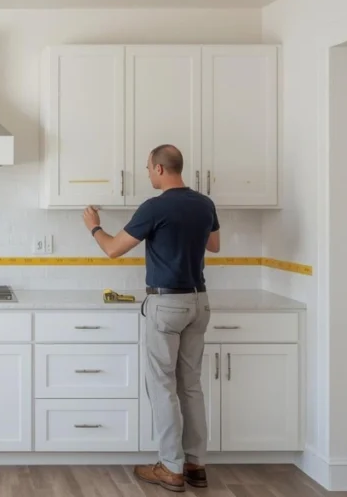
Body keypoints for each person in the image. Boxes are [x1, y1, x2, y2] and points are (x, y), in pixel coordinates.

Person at [82, 144, 220, 493]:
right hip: (199, 301)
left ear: (160, 169)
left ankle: (171, 468)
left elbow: (113, 249)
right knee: (191, 386)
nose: (147, 174)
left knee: (162, 386)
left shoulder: (155, 207)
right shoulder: (205, 204)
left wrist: (95, 227)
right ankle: (196, 465)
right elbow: (214, 245)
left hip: (167, 304)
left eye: (147, 168)